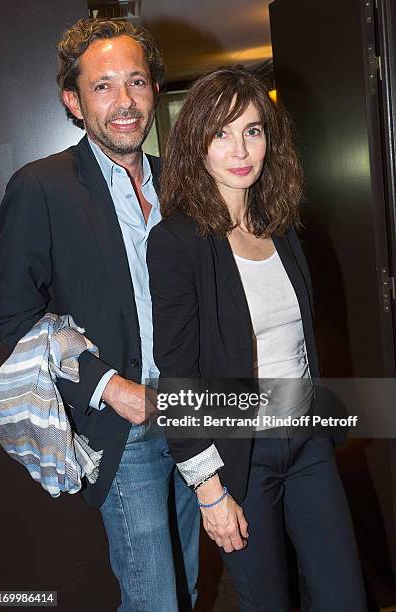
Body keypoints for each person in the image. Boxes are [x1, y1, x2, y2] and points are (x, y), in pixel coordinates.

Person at [0, 17, 199, 612]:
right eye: (103, 86)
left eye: (136, 81)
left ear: (155, 91)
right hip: (123, 429)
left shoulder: (181, 185)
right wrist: (112, 388)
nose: (125, 101)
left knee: (186, 588)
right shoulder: (41, 187)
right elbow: (16, 320)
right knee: (154, 600)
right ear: (74, 101)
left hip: (192, 410)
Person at [147, 67, 367, 611]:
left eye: (252, 130)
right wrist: (209, 490)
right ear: (196, 144)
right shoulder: (177, 242)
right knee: (268, 600)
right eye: (220, 133)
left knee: (344, 596)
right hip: (241, 457)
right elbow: (177, 375)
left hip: (305, 439)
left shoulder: (281, 224)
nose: (239, 149)